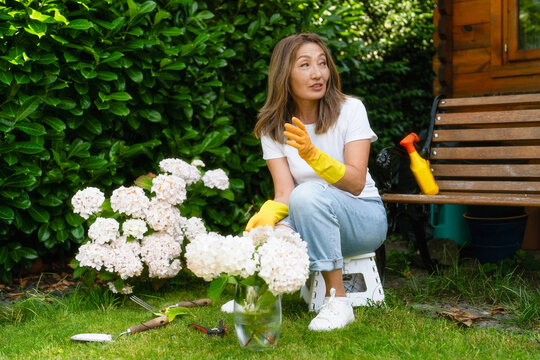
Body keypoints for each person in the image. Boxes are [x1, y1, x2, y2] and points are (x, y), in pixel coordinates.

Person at [225, 33, 387, 331]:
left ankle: (338, 301)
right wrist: (268, 219)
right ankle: (261, 290)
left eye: (322, 63)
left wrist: (313, 154)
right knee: (276, 227)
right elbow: (285, 193)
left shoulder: (351, 110)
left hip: (363, 219)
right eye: (305, 65)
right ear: (284, 74)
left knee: (308, 193)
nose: (318, 73)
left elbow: (355, 182)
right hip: (310, 217)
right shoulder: (273, 127)